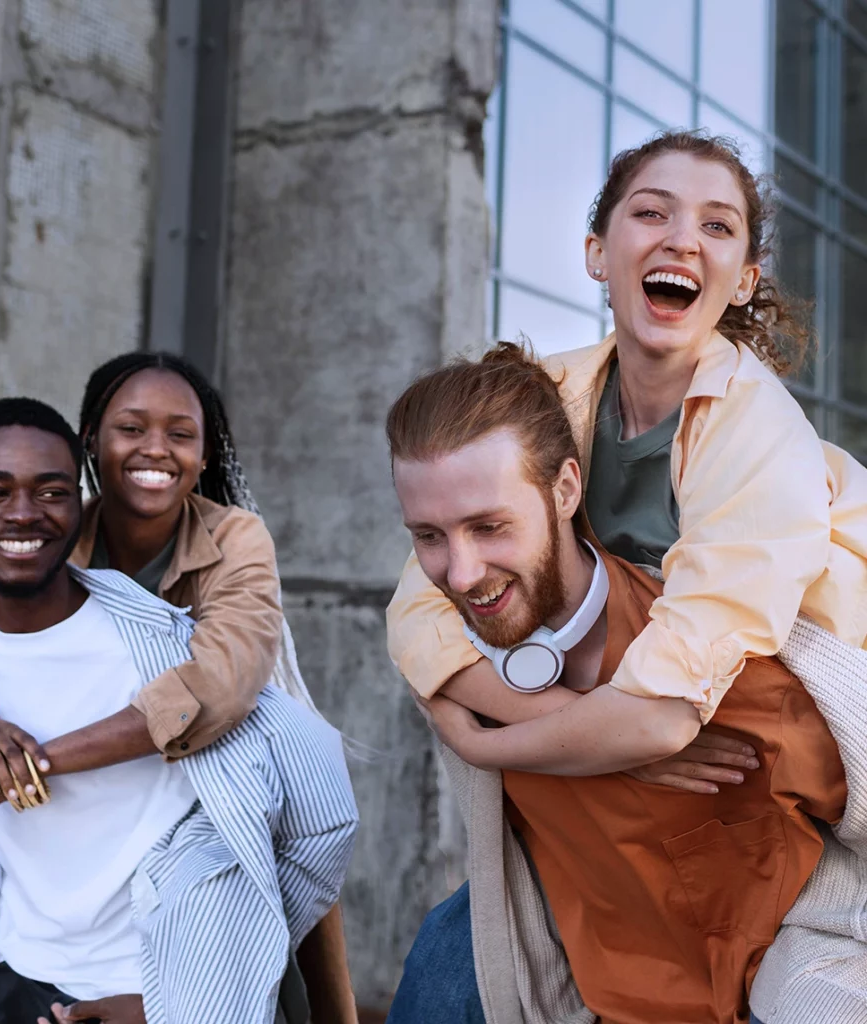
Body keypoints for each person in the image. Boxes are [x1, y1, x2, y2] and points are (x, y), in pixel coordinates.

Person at [387, 130, 867, 1022]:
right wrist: (567, 727)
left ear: (745, 278)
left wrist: (485, 733)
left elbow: (661, 709)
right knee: (457, 965)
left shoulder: (764, 436)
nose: (682, 239)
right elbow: (424, 598)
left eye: (717, 226)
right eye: (652, 213)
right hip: (629, 762)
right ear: (598, 254)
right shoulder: (547, 398)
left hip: (805, 771)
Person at [0, 352, 357, 1023]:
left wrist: (35, 761)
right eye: (131, 428)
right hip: (34, 816)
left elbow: (218, 685)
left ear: (204, 455)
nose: (156, 449)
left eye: (180, 434)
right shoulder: (41, 530)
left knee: (268, 951)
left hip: (199, 795)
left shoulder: (233, 539)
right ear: (90, 441)